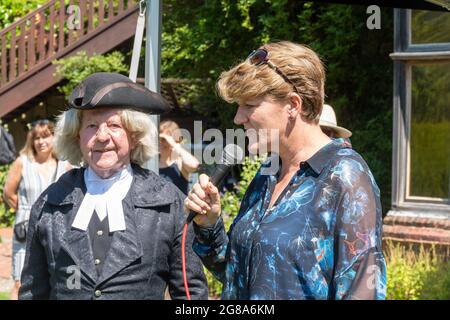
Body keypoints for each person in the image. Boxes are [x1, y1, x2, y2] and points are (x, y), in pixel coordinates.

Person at [185, 41, 387, 300]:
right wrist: (210, 223)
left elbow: (363, 292)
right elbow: (237, 274)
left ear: (293, 104)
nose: (238, 118)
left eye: (249, 105)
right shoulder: (268, 173)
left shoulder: (346, 176)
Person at [18, 72, 208, 300]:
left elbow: (190, 295)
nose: (102, 136)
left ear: (134, 135)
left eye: (114, 125)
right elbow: (32, 293)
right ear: (77, 135)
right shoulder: (50, 203)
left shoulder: (168, 202)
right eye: (91, 125)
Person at [3, 119, 71, 300]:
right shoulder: (22, 162)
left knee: (55, 278)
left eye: (46, 137)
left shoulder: (65, 165)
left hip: (57, 230)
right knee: (21, 282)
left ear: (54, 138)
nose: (41, 142)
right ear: (31, 141)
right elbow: (8, 193)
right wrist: (28, 211)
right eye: (37, 138)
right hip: (25, 231)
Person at [159, 120, 200, 195]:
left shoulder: (179, 162)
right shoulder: (151, 162)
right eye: (159, 138)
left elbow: (194, 165)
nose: (160, 142)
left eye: (164, 140)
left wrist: (174, 145)